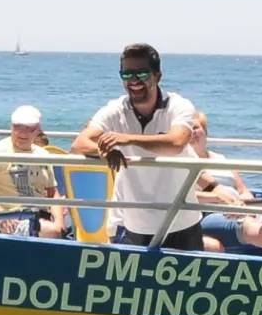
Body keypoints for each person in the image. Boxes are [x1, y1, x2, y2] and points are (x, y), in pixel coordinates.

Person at [72, 43, 202, 249]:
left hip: (182, 221)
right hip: (133, 222)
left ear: (157, 76)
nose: (133, 81)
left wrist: (127, 139)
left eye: (141, 73)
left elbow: (176, 143)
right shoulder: (115, 109)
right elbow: (79, 144)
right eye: (126, 75)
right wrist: (106, 151)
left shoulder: (179, 105)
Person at [0, 105, 67, 237]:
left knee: (66, 227)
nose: (23, 133)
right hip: (10, 215)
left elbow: (52, 193)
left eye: (29, 129)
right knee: (50, 231)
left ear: (38, 130)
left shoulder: (43, 154)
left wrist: (59, 221)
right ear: (11, 127)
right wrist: (1, 214)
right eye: (18, 127)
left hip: (40, 214)